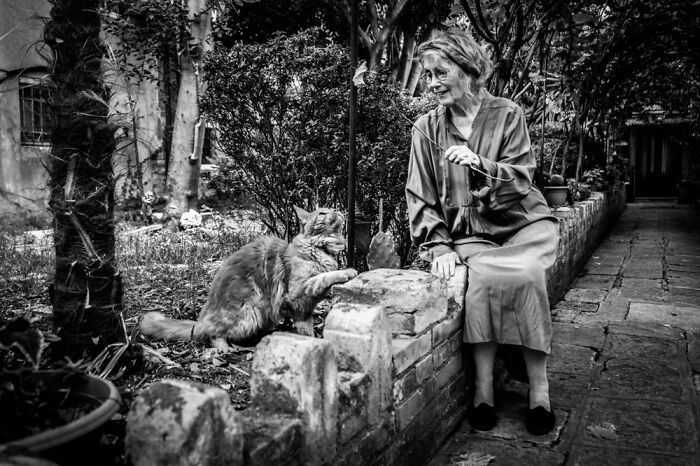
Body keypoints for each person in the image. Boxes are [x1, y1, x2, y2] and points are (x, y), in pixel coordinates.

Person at [405, 29, 560, 435]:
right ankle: (484, 388)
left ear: (469, 69)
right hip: (472, 232)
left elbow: (522, 177)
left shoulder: (508, 113)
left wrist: (480, 164)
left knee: (526, 276)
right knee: (485, 280)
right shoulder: (425, 128)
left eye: (441, 72)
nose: (432, 82)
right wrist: (437, 243)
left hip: (522, 223)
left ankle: (539, 388)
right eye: (427, 75)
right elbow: (420, 196)